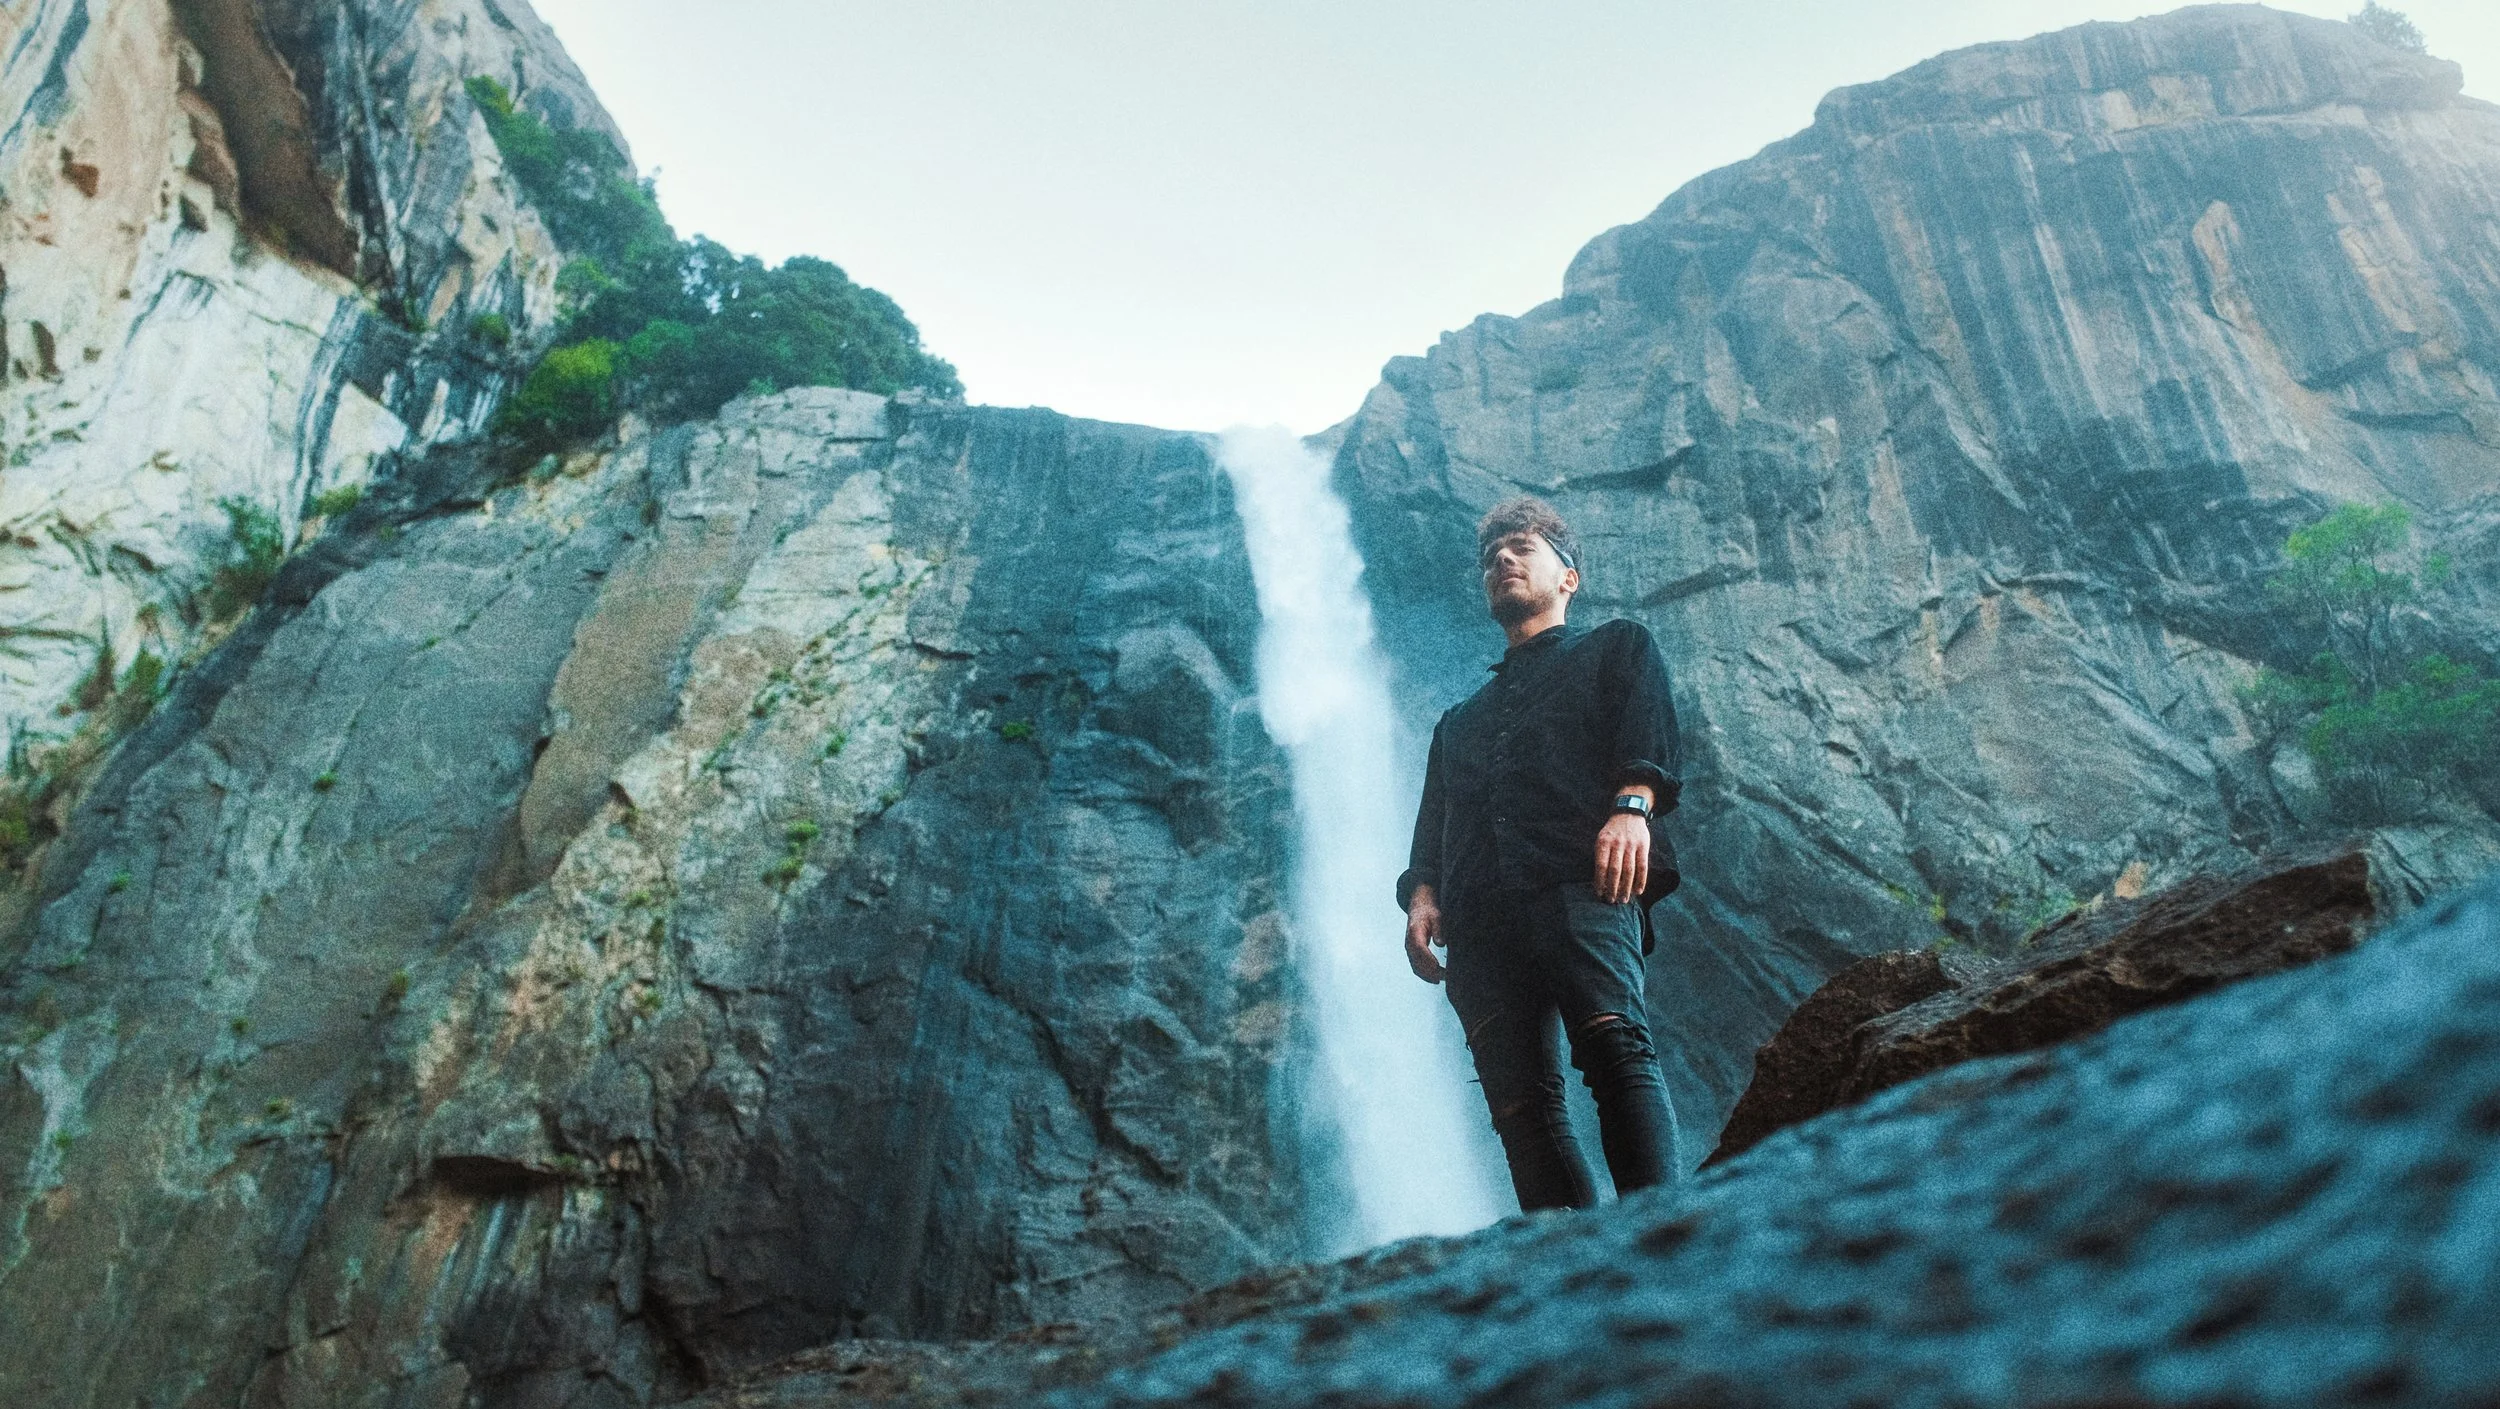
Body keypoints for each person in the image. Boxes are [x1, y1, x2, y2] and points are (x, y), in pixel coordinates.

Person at [1395, 495, 1683, 1212]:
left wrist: (1632, 809)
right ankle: (1571, 1262)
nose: (1501, 559)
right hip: (1479, 919)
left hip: (1584, 884)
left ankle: (1665, 1235)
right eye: (1491, 556)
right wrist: (1422, 898)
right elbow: (1433, 825)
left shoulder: (1617, 647)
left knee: (1616, 1050)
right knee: (1520, 1108)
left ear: (1568, 577)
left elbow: (1647, 733)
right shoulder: (1456, 722)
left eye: (1522, 547)